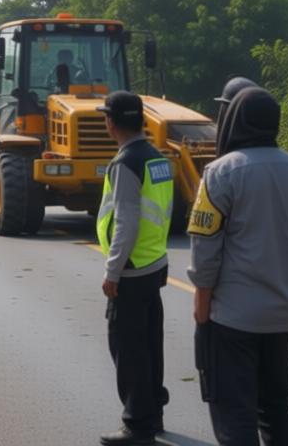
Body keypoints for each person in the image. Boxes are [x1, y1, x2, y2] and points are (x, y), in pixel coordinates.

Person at [187, 86, 288, 446]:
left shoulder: (219, 173)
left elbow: (205, 251)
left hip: (231, 318)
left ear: (234, 120)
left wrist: (202, 307)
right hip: (283, 316)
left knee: (235, 415)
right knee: (276, 409)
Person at [95, 90, 173, 446]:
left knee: (127, 349)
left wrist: (113, 271)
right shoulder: (157, 157)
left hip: (131, 267)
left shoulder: (125, 162)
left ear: (110, 123)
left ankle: (137, 424)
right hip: (153, 262)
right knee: (149, 344)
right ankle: (153, 412)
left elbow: (126, 221)